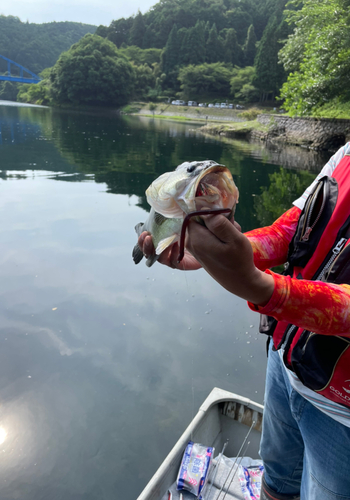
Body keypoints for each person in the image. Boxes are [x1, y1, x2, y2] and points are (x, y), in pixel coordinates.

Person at [138, 143, 350, 500]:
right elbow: (293, 231)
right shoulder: (345, 153)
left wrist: (259, 286)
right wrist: (219, 256)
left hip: (341, 415)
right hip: (286, 361)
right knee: (277, 475)